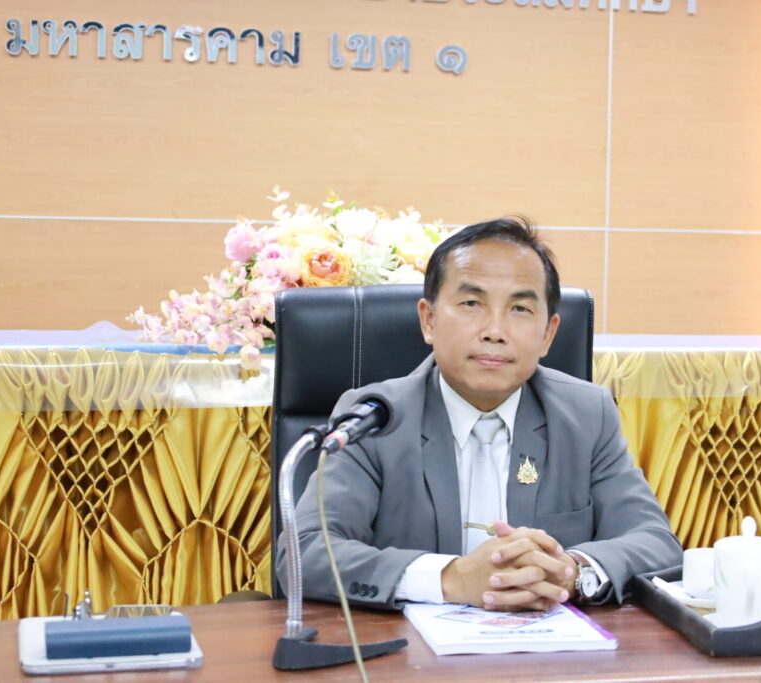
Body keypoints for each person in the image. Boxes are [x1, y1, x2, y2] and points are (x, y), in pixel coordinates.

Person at [279, 217, 681, 611]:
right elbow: (305, 553)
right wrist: (449, 578)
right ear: (429, 320)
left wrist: (572, 572)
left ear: (548, 334)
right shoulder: (375, 419)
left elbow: (655, 542)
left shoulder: (587, 415)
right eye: (472, 303)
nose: (494, 330)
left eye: (520, 308)